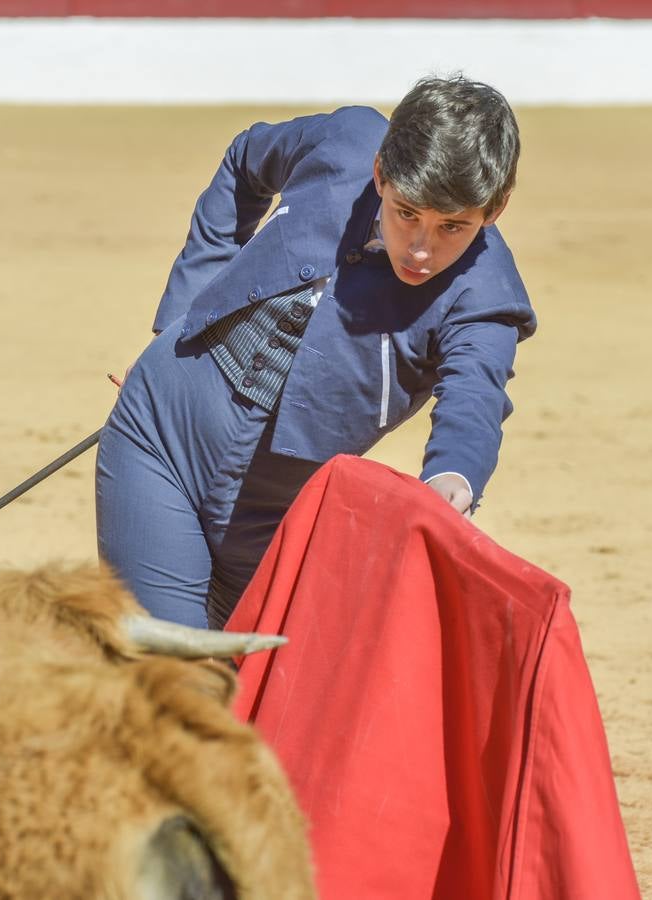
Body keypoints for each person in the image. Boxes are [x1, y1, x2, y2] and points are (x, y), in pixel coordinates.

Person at [95, 75, 537, 630]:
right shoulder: (345, 142)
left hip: (277, 513)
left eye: (453, 226)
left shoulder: (486, 296)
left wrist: (453, 479)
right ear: (381, 174)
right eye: (406, 213)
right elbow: (243, 163)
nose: (422, 249)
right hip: (160, 433)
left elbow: (474, 397)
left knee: (257, 697)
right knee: (170, 676)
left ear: (494, 209)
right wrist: (180, 320)